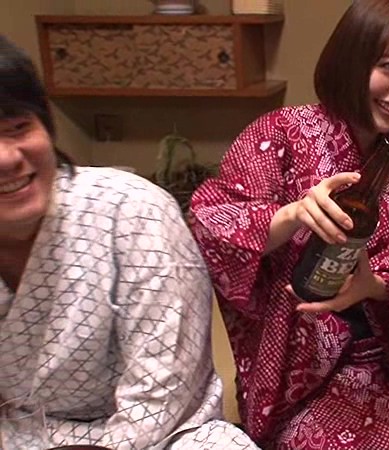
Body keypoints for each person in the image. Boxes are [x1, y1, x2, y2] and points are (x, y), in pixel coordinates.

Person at [189, 0, 389, 448]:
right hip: (299, 371)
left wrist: (376, 286)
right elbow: (210, 223)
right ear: (352, 59)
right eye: (388, 66)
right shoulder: (279, 135)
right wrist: (292, 214)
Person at [0, 36, 257, 449]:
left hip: (164, 436)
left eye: (18, 128)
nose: (8, 158)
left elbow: (164, 396)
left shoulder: (134, 211)